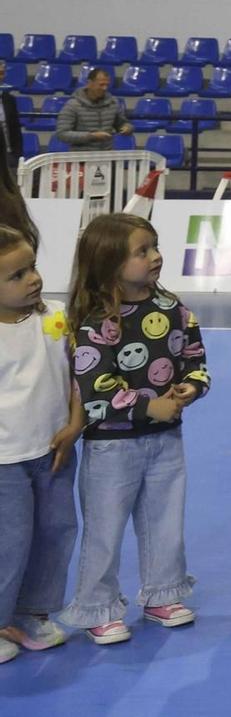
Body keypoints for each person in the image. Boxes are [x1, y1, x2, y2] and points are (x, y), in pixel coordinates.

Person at [59, 214, 207, 644]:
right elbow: (96, 390)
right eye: (142, 251)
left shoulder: (174, 309)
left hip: (165, 442)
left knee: (165, 522)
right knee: (104, 531)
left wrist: (190, 389)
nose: (156, 256)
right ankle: (97, 606)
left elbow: (195, 360)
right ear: (109, 263)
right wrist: (150, 407)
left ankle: (163, 593)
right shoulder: (93, 322)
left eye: (155, 246)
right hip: (111, 448)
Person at [0, 224, 82, 661]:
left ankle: (32, 612)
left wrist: (74, 426)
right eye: (16, 275)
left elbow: (76, 379)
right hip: (5, 461)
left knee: (56, 531)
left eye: (31, 267)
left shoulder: (55, 317)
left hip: (54, 452)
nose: (32, 278)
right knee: (9, 540)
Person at [53, 69, 132, 151]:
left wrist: (127, 127)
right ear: (90, 83)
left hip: (106, 156)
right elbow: (62, 134)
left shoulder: (113, 103)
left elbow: (122, 123)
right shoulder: (72, 105)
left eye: (107, 85)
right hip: (81, 157)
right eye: (101, 85)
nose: (104, 88)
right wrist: (91, 136)